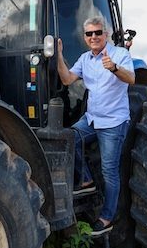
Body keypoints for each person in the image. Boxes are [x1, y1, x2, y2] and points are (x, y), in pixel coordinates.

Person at [57, 16, 135, 235]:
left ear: (106, 34)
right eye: (89, 34)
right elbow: (67, 80)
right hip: (92, 119)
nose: (94, 37)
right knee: (68, 138)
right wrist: (59, 55)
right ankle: (86, 179)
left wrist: (114, 68)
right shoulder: (84, 59)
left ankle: (107, 217)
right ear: (85, 37)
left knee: (110, 171)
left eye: (98, 33)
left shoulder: (120, 54)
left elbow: (131, 79)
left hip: (113, 122)